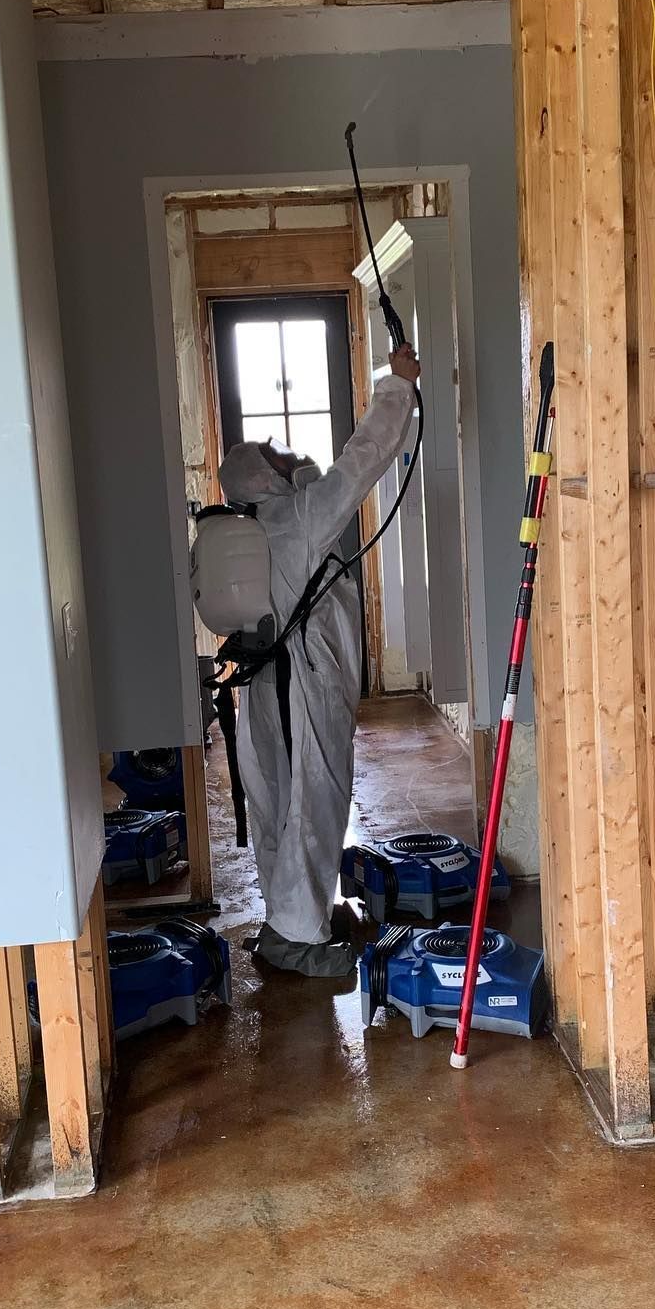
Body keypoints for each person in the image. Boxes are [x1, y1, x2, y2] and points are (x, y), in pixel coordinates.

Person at [218, 343, 421, 976]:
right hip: (304, 683)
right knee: (317, 799)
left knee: (279, 800)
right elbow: (362, 463)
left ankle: (289, 918)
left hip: (257, 687)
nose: (290, 454)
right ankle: (298, 940)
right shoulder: (300, 518)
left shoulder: (242, 529)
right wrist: (399, 385)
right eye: (277, 456)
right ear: (265, 479)